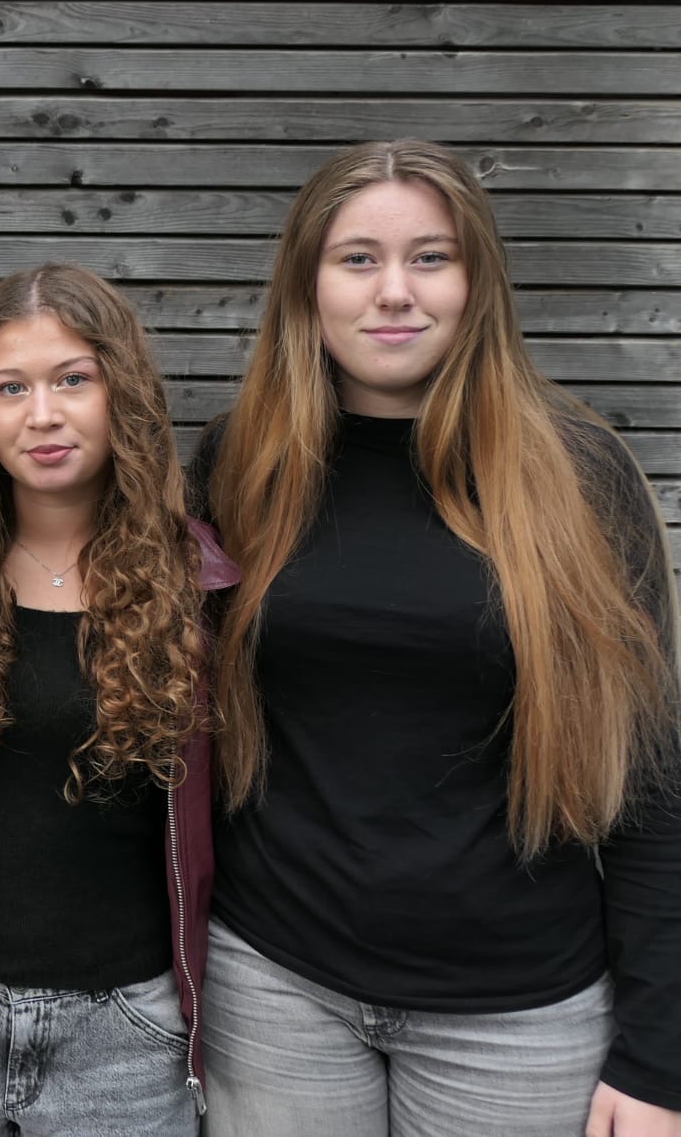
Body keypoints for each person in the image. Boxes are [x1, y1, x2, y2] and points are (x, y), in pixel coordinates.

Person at [192, 140, 681, 1137]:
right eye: (357, 259)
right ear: (307, 287)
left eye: (429, 257)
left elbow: (651, 781)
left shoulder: (578, 475)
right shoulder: (240, 463)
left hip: (515, 1014)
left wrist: (657, 1058)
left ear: (475, 282)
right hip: (276, 986)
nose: (393, 292)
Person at [0, 263, 238, 1137]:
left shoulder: (197, 577)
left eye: (73, 379)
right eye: (11, 387)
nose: (42, 414)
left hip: (127, 1034)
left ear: (121, 393)